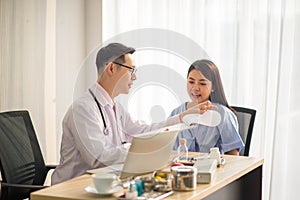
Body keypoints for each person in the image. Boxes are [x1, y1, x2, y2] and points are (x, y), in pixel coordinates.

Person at [51, 43, 215, 184]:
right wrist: (138, 147)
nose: (135, 77)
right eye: (132, 70)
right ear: (112, 68)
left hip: (103, 184)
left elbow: (142, 131)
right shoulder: (83, 109)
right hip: (72, 189)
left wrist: (182, 117)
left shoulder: (115, 107)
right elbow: (98, 159)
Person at [170, 59, 244, 155]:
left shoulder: (223, 114)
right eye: (191, 82)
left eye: (202, 83)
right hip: (180, 168)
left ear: (213, 87)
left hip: (212, 169)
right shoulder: (177, 113)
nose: (195, 88)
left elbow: (233, 155)